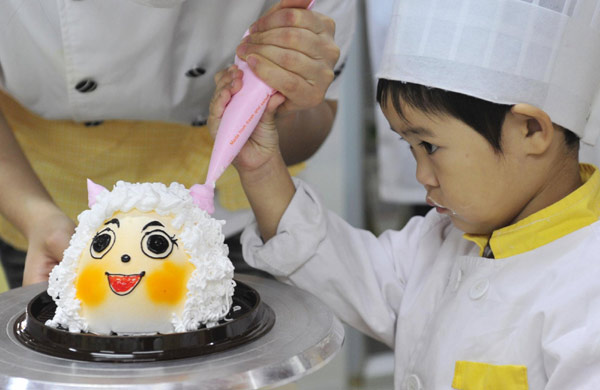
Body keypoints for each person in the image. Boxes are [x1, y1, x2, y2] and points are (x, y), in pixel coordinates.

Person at [208, 0, 600, 387]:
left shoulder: (586, 293)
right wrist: (261, 169)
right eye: (409, 148)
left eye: (429, 146)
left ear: (531, 129)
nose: (422, 176)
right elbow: (336, 266)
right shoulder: (437, 241)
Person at [0, 0, 356, 291]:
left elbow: (314, 122)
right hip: (48, 206)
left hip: (228, 221)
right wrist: (36, 216)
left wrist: (278, 109)